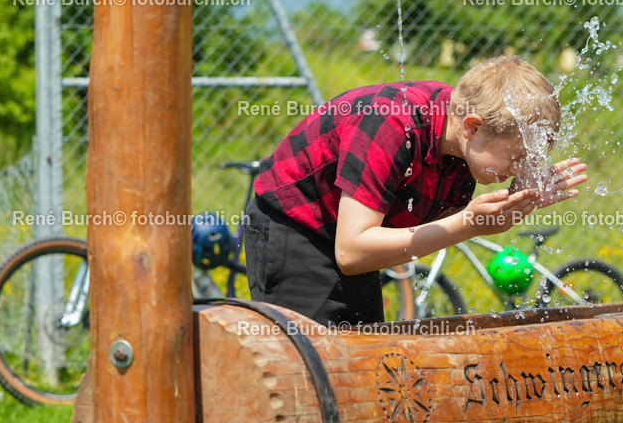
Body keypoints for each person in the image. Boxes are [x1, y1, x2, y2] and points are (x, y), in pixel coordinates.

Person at [244, 55, 587, 326]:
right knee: (309, 362)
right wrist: (468, 224)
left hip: (351, 232)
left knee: (363, 354)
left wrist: (512, 205)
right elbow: (351, 252)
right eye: (515, 157)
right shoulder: (391, 124)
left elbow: (429, 228)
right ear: (473, 127)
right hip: (297, 226)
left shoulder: (463, 149)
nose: (519, 169)